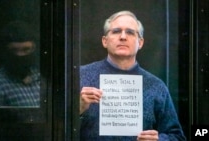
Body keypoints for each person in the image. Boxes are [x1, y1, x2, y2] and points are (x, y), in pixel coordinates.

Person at [79, 10, 186, 141]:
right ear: (105, 41)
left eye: (130, 32)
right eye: (116, 31)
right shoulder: (79, 76)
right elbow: (52, 127)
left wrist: (160, 140)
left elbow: (177, 136)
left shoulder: (156, 85)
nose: (123, 37)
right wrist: (77, 109)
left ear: (140, 43)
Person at [0, 20, 45, 122]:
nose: (20, 55)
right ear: (5, 51)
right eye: (14, 50)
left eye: (26, 49)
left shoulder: (38, 78)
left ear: (34, 49)